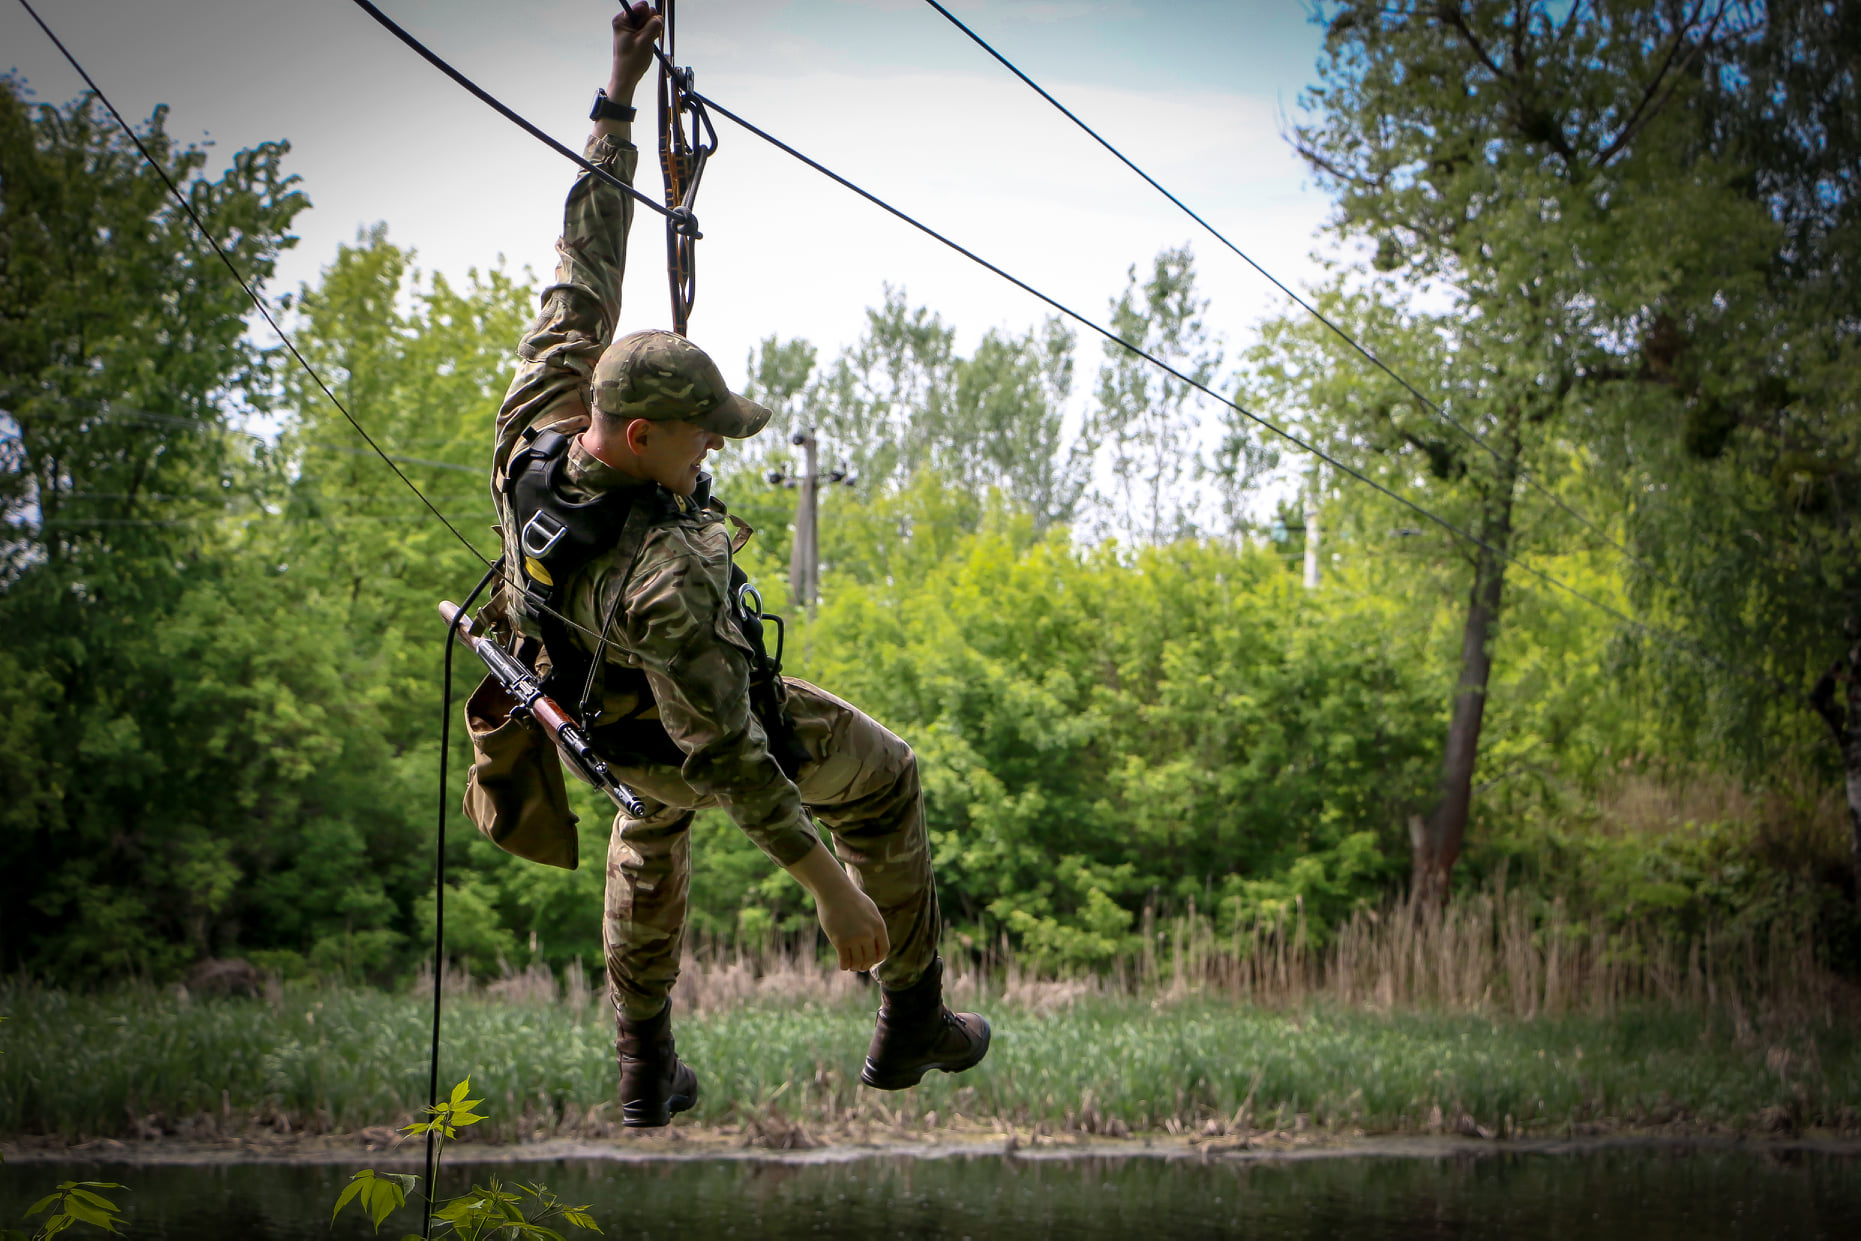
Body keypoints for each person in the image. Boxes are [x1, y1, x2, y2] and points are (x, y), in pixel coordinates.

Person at [483, 3, 988, 1128]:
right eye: (704, 433)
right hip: (670, 731)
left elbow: (583, 261)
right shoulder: (669, 572)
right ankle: (913, 1013)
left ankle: (642, 1063)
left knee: (648, 826)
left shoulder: (538, 426)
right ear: (645, 434)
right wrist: (829, 884)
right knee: (883, 774)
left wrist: (619, 90)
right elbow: (735, 756)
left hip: (589, 720)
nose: (714, 449)